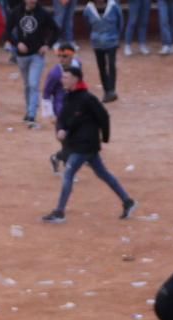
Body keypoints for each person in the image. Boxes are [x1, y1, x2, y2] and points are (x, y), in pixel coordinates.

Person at [43, 64, 134, 223]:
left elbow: (104, 116)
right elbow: (64, 118)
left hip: (85, 144)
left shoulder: (87, 98)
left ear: (75, 79)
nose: (62, 79)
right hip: (80, 144)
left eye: (66, 77)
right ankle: (127, 201)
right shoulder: (68, 96)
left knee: (69, 174)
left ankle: (59, 211)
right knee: (102, 173)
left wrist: (104, 138)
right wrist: (61, 129)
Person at [10, 0, 59, 126]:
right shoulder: (16, 12)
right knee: (27, 84)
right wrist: (17, 43)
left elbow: (56, 30)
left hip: (37, 54)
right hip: (22, 56)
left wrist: (47, 45)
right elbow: (6, 30)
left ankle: (31, 115)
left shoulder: (42, 13)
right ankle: (29, 111)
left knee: (33, 84)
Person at [82, 0, 122, 103]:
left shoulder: (113, 6)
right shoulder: (88, 9)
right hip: (97, 42)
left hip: (111, 40)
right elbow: (87, 24)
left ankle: (111, 90)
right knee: (101, 67)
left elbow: (120, 22)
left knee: (111, 65)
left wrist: (117, 37)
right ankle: (107, 90)